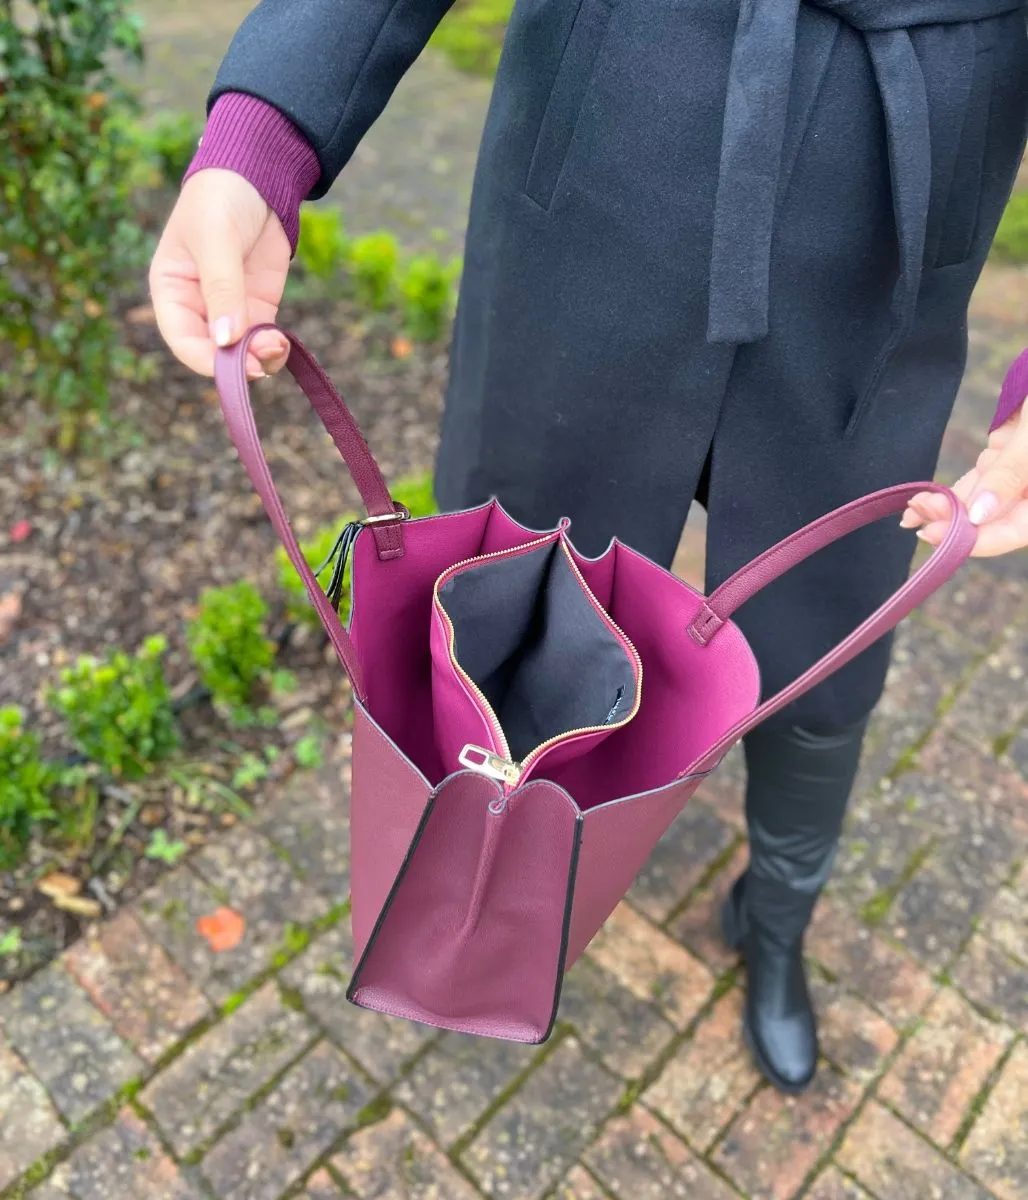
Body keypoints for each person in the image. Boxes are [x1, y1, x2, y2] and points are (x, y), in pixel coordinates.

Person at [151, 0, 1028, 1094]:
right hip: (613, 135)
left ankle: (776, 914)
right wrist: (262, 136)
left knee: (826, 637)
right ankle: (483, 894)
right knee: (523, 596)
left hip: (896, 193)